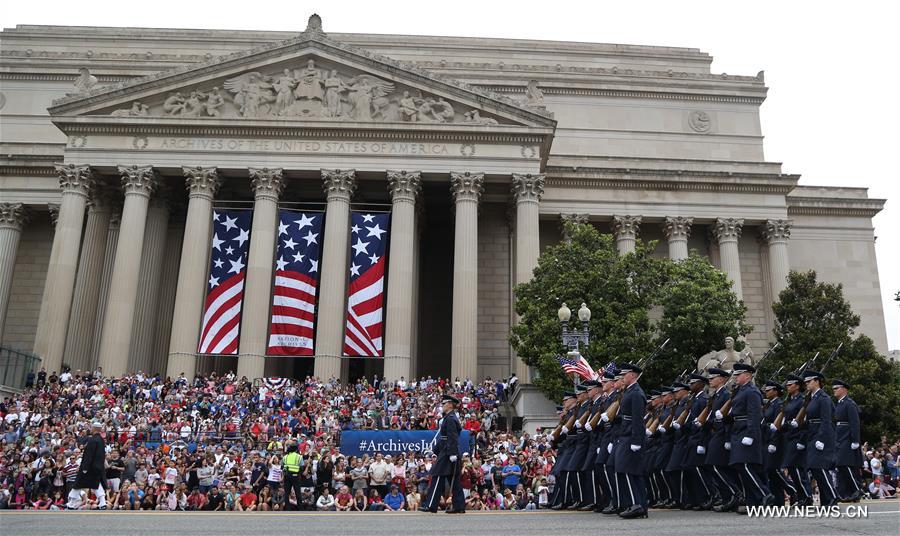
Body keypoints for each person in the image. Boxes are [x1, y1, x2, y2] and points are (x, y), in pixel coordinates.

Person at [728, 363, 774, 509]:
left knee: (744, 465)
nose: (735, 377)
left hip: (746, 431)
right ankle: (752, 502)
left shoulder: (752, 391)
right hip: (737, 430)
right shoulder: (740, 390)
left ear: (748, 375)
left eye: (738, 374)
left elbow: (755, 415)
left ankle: (764, 494)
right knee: (740, 465)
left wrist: (751, 434)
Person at [613, 362, 648, 519]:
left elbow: (638, 419)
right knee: (630, 472)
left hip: (631, 437)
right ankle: (639, 505)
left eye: (625, 374)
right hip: (626, 435)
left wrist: (636, 441)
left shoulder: (636, 393)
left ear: (633, 375)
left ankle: (636, 505)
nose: (622, 377)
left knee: (627, 471)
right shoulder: (629, 391)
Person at [422, 394, 465, 513]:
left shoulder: (450, 418)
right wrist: (434, 450)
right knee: (454, 480)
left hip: (448, 453)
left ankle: (431, 505)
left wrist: (452, 453)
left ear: (450, 405)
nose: (443, 406)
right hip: (448, 451)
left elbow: (452, 437)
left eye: (444, 404)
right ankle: (459, 507)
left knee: (437, 475)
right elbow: (444, 437)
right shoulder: (449, 417)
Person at [801, 369, 838, 506]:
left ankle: (833, 497)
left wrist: (821, 439)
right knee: (815, 468)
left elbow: (826, 420)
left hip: (821, 436)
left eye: (809, 381)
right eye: (806, 382)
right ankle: (826, 500)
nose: (807, 384)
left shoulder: (824, 398)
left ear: (817, 381)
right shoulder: (812, 398)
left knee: (819, 468)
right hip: (812, 435)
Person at [706, 368, 740, 512]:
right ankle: (728, 498)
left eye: (713, 378)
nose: (710, 380)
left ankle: (734, 493)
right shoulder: (717, 394)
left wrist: (727, 438)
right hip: (716, 434)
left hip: (721, 434)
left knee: (714, 465)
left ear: (721, 379)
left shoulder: (725, 395)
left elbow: (728, 419)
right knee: (716, 466)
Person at [781, 373, 814, 506]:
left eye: (790, 384)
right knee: (792, 468)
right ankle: (802, 496)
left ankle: (806, 496)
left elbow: (805, 422)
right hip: (790, 436)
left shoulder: (802, 400)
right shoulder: (790, 400)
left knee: (797, 468)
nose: (788, 387)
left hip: (798, 437)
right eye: (787, 385)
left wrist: (801, 440)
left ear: (797, 386)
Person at [832, 379, 864, 502]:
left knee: (845, 465)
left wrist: (855, 440)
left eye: (836, 388)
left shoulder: (849, 403)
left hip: (847, 438)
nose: (834, 391)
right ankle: (845, 493)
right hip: (840, 438)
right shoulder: (840, 403)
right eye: (833, 389)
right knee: (840, 466)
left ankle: (856, 490)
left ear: (844, 389)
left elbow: (855, 423)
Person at [71, 421, 107, 510]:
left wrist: (84, 468)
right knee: (96, 484)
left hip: (89, 467)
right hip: (98, 467)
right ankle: (102, 502)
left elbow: (88, 455)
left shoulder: (93, 440)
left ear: (94, 428)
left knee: (78, 483)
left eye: (91, 428)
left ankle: (71, 503)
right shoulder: (101, 440)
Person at [282, 442, 303, 511]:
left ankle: (287, 508)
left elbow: (282, 466)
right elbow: (301, 467)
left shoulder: (285, 457)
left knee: (287, 493)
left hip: (287, 476)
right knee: (298, 493)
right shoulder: (299, 457)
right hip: (296, 476)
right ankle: (300, 509)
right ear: (296, 449)